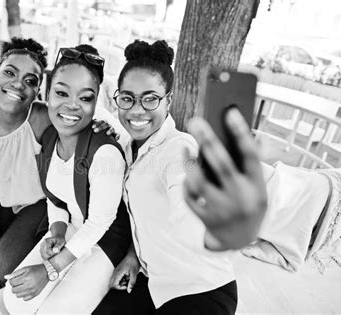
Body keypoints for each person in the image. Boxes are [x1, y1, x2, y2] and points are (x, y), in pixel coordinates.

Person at [94, 39, 267, 315]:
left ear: (169, 100)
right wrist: (132, 256)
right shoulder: (128, 147)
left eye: (150, 98)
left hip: (202, 289)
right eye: (127, 98)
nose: (136, 110)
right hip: (155, 284)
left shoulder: (178, 148)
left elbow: (187, 187)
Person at [0, 38, 117, 287]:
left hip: (40, 204)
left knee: (3, 265)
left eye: (31, 81)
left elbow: (76, 116)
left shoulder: (44, 117)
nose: (18, 84)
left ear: (38, 91)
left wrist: (102, 127)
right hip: (1, 200)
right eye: (9, 72)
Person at [0, 44, 131, 314]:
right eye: (61, 93)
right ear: (47, 94)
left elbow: (100, 222)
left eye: (85, 98)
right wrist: (56, 232)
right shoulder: (49, 138)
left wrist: (50, 269)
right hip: (71, 228)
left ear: (96, 103)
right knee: (15, 300)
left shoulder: (104, 152)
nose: (72, 105)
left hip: (103, 240)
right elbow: (55, 199)